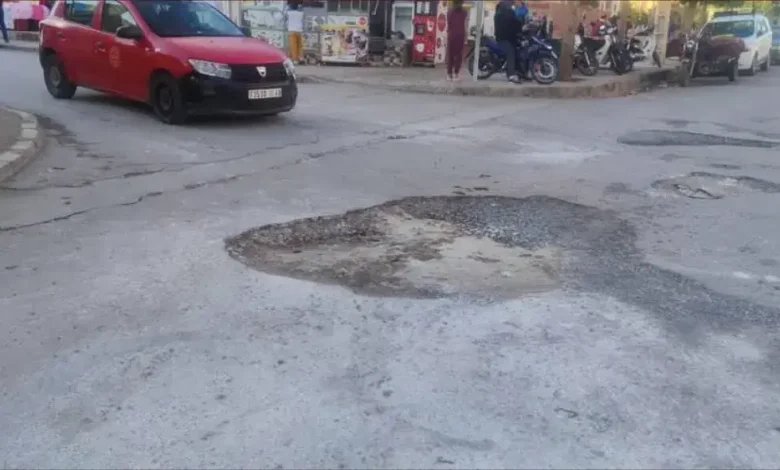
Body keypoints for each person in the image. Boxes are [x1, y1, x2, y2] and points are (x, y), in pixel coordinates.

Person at [494, 0, 520, 83]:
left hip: (504, 37)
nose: (511, 5)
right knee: (510, 52)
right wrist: (519, 27)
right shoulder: (505, 13)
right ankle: (511, 74)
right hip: (504, 38)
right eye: (511, 3)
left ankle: (517, 71)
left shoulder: (501, 12)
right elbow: (513, 23)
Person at [445, 0, 467, 80]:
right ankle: (455, 74)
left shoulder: (449, 12)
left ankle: (450, 74)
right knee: (458, 55)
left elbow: (449, 24)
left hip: (452, 35)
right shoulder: (464, 12)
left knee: (452, 55)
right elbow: (465, 24)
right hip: (459, 35)